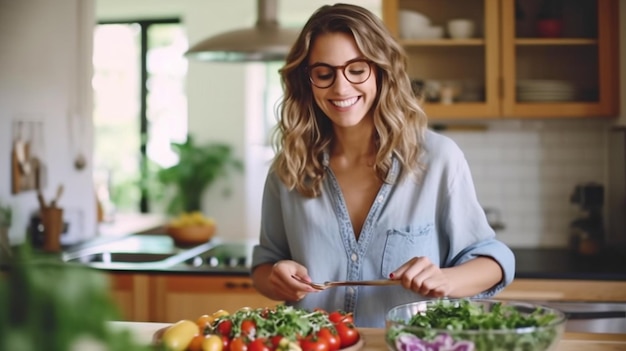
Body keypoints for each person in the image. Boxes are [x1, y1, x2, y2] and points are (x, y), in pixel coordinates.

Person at [250, 3, 515, 328]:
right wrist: (276, 278)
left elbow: (495, 260)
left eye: (356, 69)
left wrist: (446, 279)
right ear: (307, 80)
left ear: (380, 70)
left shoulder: (437, 158)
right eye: (324, 73)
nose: (341, 87)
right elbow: (264, 266)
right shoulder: (289, 167)